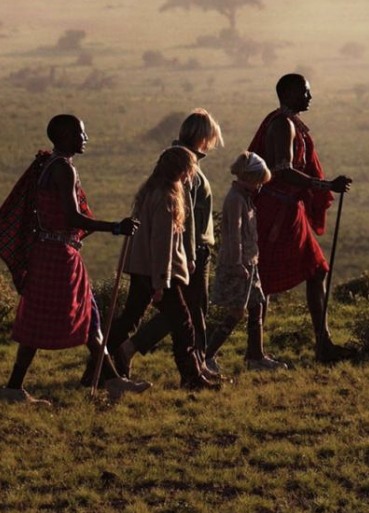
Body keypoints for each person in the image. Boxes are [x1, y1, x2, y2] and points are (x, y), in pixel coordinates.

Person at [0, 114, 147, 405]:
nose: (85, 139)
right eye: (81, 133)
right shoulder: (62, 170)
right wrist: (115, 227)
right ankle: (14, 388)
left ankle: (113, 380)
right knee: (63, 317)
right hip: (58, 256)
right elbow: (71, 217)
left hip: (51, 253)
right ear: (66, 136)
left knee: (86, 315)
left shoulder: (49, 164)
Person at [248, 73, 354, 362]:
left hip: (288, 209)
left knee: (317, 270)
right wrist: (325, 185)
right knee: (264, 281)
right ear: (290, 93)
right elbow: (281, 170)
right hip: (277, 210)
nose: (310, 97)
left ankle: (324, 344)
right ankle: (255, 352)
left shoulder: (289, 123)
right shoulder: (282, 125)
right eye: (305, 92)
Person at [107, 147, 218, 391]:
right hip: (158, 273)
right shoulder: (167, 197)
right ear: (182, 171)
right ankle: (192, 377)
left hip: (143, 268)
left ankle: (101, 364)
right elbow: (162, 244)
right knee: (183, 324)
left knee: (130, 319)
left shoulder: (151, 190)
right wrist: (161, 283)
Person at [123, 109, 222, 375]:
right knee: (188, 315)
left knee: (177, 314)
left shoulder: (175, 161)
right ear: (203, 136)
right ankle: (194, 368)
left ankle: (118, 356)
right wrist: (189, 257)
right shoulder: (185, 168)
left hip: (177, 255)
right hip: (187, 254)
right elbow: (184, 222)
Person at [204, 151, 288, 373]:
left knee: (256, 305)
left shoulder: (244, 198)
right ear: (250, 179)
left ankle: (256, 356)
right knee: (237, 312)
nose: (260, 186)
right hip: (239, 265)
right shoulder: (235, 201)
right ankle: (207, 355)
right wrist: (238, 264)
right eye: (259, 182)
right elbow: (233, 236)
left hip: (249, 263)